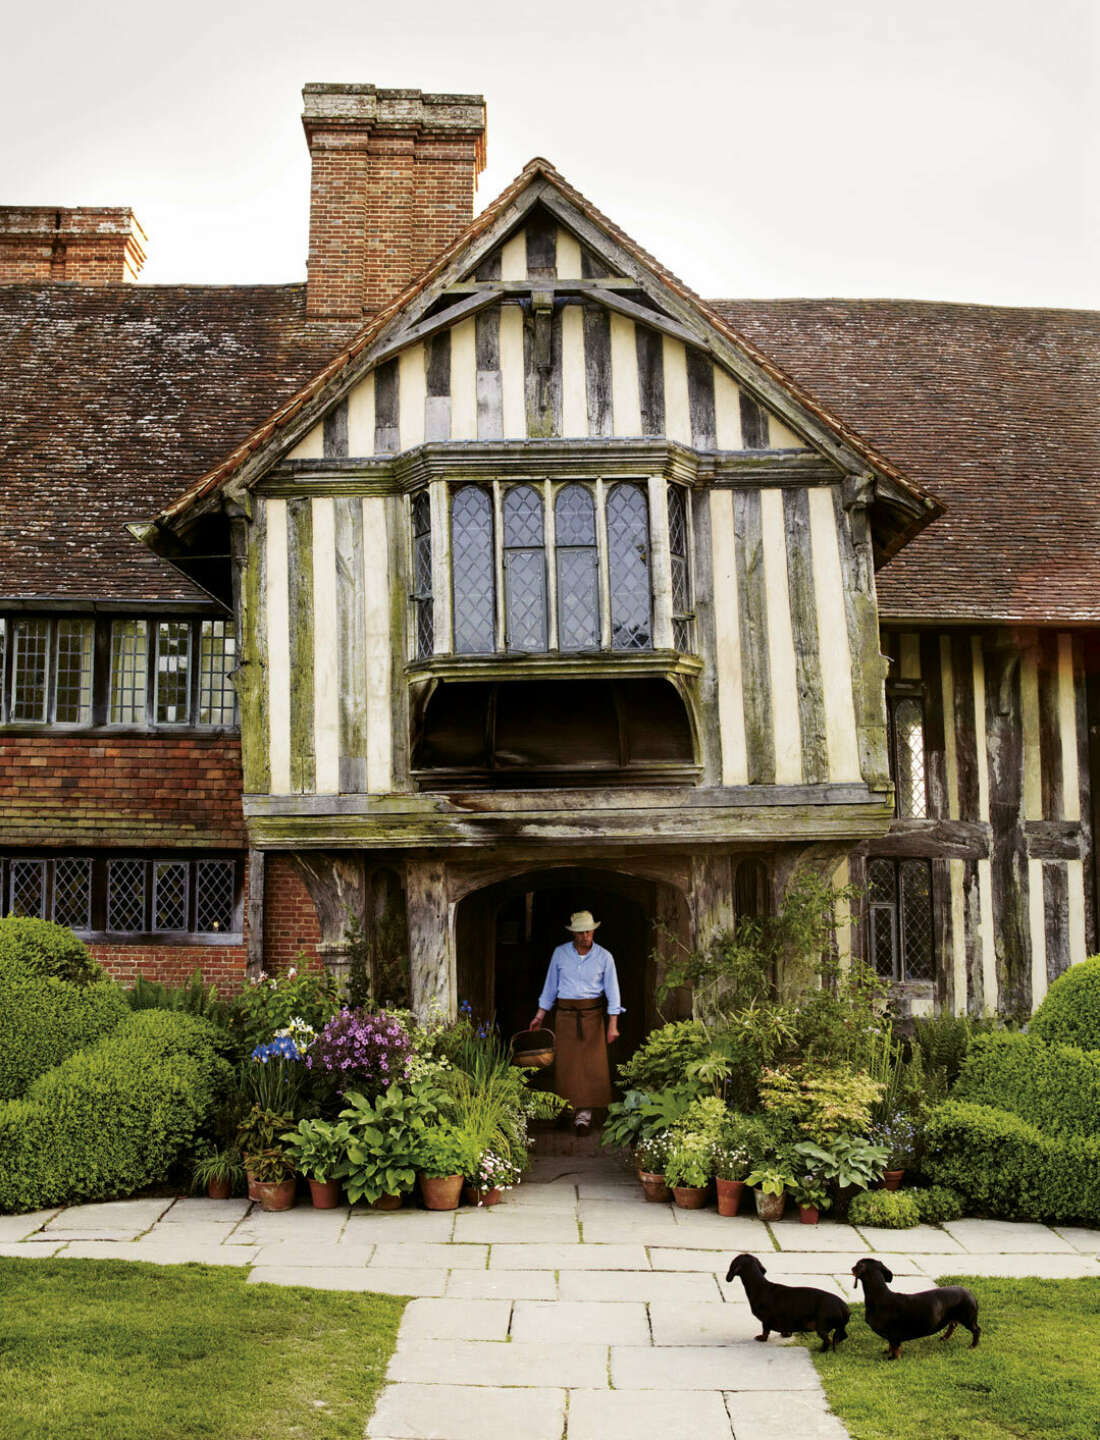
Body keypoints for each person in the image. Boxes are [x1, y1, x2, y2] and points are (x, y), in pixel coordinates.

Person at [529, 910, 623, 1135]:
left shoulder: (604, 957)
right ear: (574, 933)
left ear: (593, 931)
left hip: (591, 1017)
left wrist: (613, 1025)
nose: (585, 936)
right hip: (565, 1016)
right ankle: (565, 1111)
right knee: (567, 1066)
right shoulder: (560, 954)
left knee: (591, 1067)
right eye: (580, 932)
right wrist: (540, 1015)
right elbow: (550, 986)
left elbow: (613, 992)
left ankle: (584, 1117)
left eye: (588, 932)